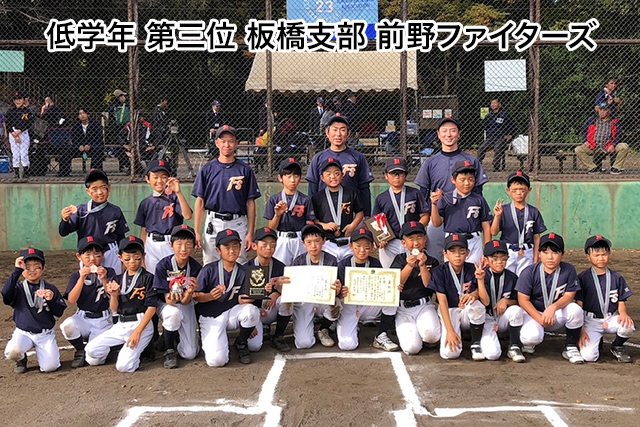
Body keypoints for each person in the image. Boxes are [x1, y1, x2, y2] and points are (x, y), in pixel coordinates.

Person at [414, 118, 488, 260]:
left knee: (464, 260)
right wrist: (425, 220)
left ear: (459, 134)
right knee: (434, 259)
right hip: (438, 216)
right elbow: (423, 194)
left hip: (463, 217)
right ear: (438, 134)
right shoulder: (430, 162)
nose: (448, 134)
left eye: (453, 131)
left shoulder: (471, 161)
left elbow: (478, 192)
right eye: (444, 131)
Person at [85, 236, 158, 373]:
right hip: (121, 324)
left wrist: (137, 332)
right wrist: (113, 295)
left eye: (137, 258)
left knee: (123, 367)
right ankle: (121, 350)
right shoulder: (118, 279)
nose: (132, 262)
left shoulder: (148, 278)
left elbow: (152, 308)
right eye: (127, 258)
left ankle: (134, 353)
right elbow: (114, 309)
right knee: (90, 350)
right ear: (120, 258)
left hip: (140, 324)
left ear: (143, 256)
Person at [192, 125, 261, 265]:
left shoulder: (245, 170)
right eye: (223, 141)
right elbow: (200, 201)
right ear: (217, 143)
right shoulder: (207, 169)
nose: (227, 145)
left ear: (236, 143)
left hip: (238, 222)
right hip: (214, 221)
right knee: (210, 262)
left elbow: (250, 203)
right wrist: (197, 231)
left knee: (239, 262)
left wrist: (250, 232)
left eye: (231, 141)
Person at [194, 229, 262, 366]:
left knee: (252, 313)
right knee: (216, 361)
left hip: (232, 314)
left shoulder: (245, 271)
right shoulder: (209, 269)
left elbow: (244, 300)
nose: (232, 251)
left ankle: (241, 342)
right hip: (211, 316)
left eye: (235, 246)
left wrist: (250, 323)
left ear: (240, 248)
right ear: (218, 250)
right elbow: (196, 296)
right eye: (227, 247)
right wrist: (209, 296)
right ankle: (217, 338)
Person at [515, 233, 585, 364]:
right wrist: (540, 319)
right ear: (539, 254)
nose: (550, 257)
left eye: (555, 252)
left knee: (575, 310)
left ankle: (571, 346)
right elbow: (523, 300)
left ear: (562, 254)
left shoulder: (568, 270)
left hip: (555, 314)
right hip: (534, 314)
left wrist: (553, 307)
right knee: (531, 338)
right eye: (545, 252)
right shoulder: (529, 271)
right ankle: (528, 343)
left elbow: (570, 295)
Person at [429, 234, 498, 361]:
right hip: (450, 311)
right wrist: (450, 331)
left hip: (468, 311)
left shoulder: (473, 268)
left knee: (477, 306)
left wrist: (477, 287)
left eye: (461, 251)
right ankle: (455, 333)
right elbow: (442, 302)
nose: (457, 255)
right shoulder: (439, 271)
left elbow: (485, 302)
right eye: (452, 251)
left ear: (468, 253)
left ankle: (476, 343)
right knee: (450, 353)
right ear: (445, 254)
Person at [3, 248, 66, 373]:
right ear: (22, 269)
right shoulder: (18, 288)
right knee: (12, 352)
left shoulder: (50, 288)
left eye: (36, 267)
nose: (32, 270)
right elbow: (6, 294)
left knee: (50, 367)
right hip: (23, 333)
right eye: (27, 267)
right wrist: (16, 271)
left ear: (43, 268)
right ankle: (21, 359)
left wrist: (51, 300)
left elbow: (59, 312)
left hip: (45, 334)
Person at [337, 227, 399, 351]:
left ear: (372, 248)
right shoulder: (343, 265)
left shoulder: (375, 264)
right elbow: (337, 293)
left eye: (366, 247)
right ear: (351, 247)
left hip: (368, 305)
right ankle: (347, 325)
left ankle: (381, 335)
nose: (362, 250)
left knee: (392, 296)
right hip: (349, 306)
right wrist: (340, 293)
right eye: (358, 246)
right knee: (347, 345)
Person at [61, 236, 118, 368]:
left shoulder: (109, 272)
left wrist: (104, 279)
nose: (92, 258)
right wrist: (81, 279)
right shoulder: (77, 275)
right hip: (83, 318)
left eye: (97, 254)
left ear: (103, 255)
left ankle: (108, 348)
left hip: (104, 319)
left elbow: (112, 297)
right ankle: (80, 349)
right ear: (79, 257)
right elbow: (71, 300)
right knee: (67, 326)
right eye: (87, 255)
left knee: (94, 361)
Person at [59, 169, 130, 274]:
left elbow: (120, 237)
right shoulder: (81, 211)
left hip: (110, 252)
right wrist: (64, 220)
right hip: (89, 254)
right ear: (88, 191)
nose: (100, 192)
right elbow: (63, 232)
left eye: (103, 188)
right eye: (95, 189)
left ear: (109, 187)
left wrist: (123, 258)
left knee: (113, 280)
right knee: (89, 281)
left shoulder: (115, 211)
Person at [577, 235, 635, 363]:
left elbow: (621, 301)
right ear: (588, 257)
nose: (601, 258)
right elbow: (579, 305)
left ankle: (617, 346)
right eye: (596, 255)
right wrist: (581, 330)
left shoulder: (616, 277)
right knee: (589, 357)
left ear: (609, 254)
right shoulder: (583, 278)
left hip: (610, 317)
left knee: (628, 326)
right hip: (590, 320)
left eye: (604, 254)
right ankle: (596, 340)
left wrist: (623, 313)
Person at [389, 221, 442, 355]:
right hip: (403, 308)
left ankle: (425, 335)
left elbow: (428, 285)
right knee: (412, 348)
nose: (416, 243)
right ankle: (409, 333)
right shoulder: (400, 259)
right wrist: (409, 266)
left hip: (424, 305)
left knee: (432, 336)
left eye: (419, 238)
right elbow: (395, 282)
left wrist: (423, 266)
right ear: (403, 243)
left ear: (425, 240)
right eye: (411, 239)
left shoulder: (432, 261)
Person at [153, 225, 202, 369]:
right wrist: (176, 294)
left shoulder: (196, 267)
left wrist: (189, 292)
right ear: (171, 245)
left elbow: (186, 302)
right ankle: (169, 350)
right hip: (167, 305)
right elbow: (168, 300)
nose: (183, 249)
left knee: (190, 354)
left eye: (188, 244)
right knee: (173, 314)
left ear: (194, 246)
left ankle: (174, 336)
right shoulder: (163, 265)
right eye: (179, 244)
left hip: (186, 304)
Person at [306, 114, 374, 217]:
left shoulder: (358, 157)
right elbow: (312, 188)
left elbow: (364, 188)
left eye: (342, 130)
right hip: (324, 212)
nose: (338, 134)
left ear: (348, 133)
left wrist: (366, 215)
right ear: (327, 132)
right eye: (334, 129)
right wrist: (312, 215)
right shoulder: (318, 158)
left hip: (351, 212)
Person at [287, 224, 342, 349]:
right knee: (304, 343)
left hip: (323, 300)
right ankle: (306, 323)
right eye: (309, 242)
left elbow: (335, 286)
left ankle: (324, 329)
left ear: (324, 241)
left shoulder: (331, 260)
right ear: (303, 244)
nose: (313, 246)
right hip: (305, 302)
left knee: (337, 303)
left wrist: (337, 289)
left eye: (317, 241)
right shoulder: (298, 262)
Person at [134, 159, 193, 275]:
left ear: (170, 179)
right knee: (152, 276)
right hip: (151, 244)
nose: (160, 181)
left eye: (164, 177)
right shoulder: (145, 203)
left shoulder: (174, 198)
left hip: (170, 243)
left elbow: (188, 216)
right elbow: (144, 230)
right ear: (147, 179)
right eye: (155, 177)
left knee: (174, 277)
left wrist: (178, 192)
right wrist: (143, 252)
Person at [430, 160, 492, 265]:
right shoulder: (446, 198)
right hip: (453, 240)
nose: (467, 183)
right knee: (453, 271)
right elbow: (436, 223)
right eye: (462, 180)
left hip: (473, 241)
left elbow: (486, 226)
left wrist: (487, 252)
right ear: (453, 180)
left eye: (471, 179)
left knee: (474, 271)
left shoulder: (478, 199)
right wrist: (434, 205)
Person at [373, 157, 429, 268]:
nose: (397, 176)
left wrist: (415, 231)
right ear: (386, 175)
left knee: (414, 270)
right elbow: (376, 222)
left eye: (400, 173)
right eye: (393, 173)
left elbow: (425, 216)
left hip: (411, 241)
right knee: (389, 272)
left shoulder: (415, 193)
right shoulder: (381, 198)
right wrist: (380, 238)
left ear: (406, 175)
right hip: (390, 242)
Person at [476, 240, 526, 363]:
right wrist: (480, 281)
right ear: (486, 260)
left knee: (516, 310)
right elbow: (485, 302)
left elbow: (518, 301)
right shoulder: (482, 275)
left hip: (503, 316)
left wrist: (507, 301)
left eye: (503, 258)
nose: (499, 262)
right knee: (493, 355)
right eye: (494, 258)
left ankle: (514, 345)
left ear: (508, 258)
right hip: (486, 318)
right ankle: (482, 340)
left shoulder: (512, 277)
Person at [490, 171, 546, 275]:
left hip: (527, 251)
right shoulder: (504, 210)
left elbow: (536, 237)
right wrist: (497, 216)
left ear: (529, 190)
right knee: (508, 277)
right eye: (514, 190)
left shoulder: (533, 211)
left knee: (524, 278)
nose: (519, 193)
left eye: (522, 190)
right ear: (508, 191)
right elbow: (493, 232)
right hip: (508, 251)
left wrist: (535, 257)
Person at [246, 227, 291, 353]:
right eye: (264, 244)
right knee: (254, 347)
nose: (269, 248)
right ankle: (255, 331)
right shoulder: (246, 268)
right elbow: (241, 299)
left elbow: (289, 291)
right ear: (254, 246)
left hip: (271, 309)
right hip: (254, 312)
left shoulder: (280, 266)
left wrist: (277, 293)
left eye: (272, 244)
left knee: (286, 300)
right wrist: (249, 323)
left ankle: (278, 336)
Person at [312, 158, 364, 262]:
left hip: (347, 241)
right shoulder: (318, 197)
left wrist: (352, 226)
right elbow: (314, 219)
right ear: (322, 178)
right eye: (328, 174)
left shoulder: (351, 193)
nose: (333, 177)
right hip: (328, 242)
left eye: (336, 173)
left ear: (342, 175)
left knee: (347, 267)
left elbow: (360, 212)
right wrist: (324, 225)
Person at [265, 158, 315, 265]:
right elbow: (271, 228)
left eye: (296, 176)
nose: (292, 180)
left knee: (301, 268)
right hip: (282, 238)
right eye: (288, 176)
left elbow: (309, 223)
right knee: (281, 268)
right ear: (280, 178)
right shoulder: (274, 199)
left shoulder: (305, 200)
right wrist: (277, 215)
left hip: (299, 238)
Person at [576, 103, 628, 175]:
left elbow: (619, 135)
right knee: (578, 149)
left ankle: (616, 168)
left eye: (604, 110)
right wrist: (585, 141)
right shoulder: (592, 120)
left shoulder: (614, 121)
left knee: (624, 146)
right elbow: (583, 131)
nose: (602, 112)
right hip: (593, 146)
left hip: (608, 146)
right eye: (600, 110)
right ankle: (593, 168)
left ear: (609, 111)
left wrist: (613, 145)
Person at [477, 99, 514, 171]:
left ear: (499, 105)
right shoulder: (489, 116)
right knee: (481, 148)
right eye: (492, 103)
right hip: (491, 137)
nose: (493, 105)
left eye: (495, 103)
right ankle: (478, 165)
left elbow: (512, 125)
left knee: (498, 147)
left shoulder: (504, 115)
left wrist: (510, 135)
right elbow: (485, 126)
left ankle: (496, 166)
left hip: (501, 137)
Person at [5, 91, 34, 179]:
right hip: (13, 133)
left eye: (20, 99)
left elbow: (29, 123)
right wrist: (14, 133)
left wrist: (20, 131)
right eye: (16, 99)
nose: (18, 101)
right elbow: (8, 123)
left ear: (23, 100)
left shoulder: (27, 111)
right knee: (15, 154)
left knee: (24, 153)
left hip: (23, 133)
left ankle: (25, 172)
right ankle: (17, 173)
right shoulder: (11, 111)